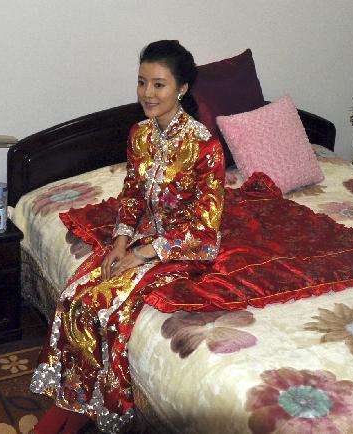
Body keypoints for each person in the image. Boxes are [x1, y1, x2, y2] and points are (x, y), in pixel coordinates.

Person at [29, 40, 225, 434]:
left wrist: (144, 255)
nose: (147, 94)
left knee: (107, 309)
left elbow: (206, 228)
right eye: (142, 83)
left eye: (159, 85)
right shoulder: (140, 135)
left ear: (182, 89)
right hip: (143, 240)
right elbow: (133, 193)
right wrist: (120, 241)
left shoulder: (204, 145)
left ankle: (92, 409)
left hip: (184, 247)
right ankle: (74, 400)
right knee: (74, 294)